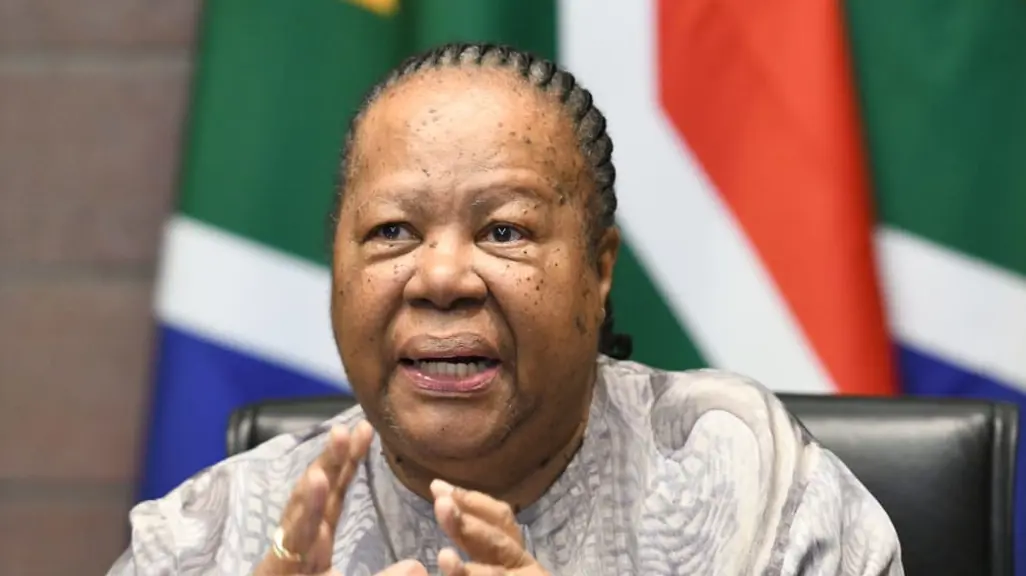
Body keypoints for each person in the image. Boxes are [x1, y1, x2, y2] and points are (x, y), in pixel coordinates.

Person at [108, 43, 903, 576]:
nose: (441, 276)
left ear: (598, 270)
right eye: (392, 232)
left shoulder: (753, 494)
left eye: (504, 231)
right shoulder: (205, 540)